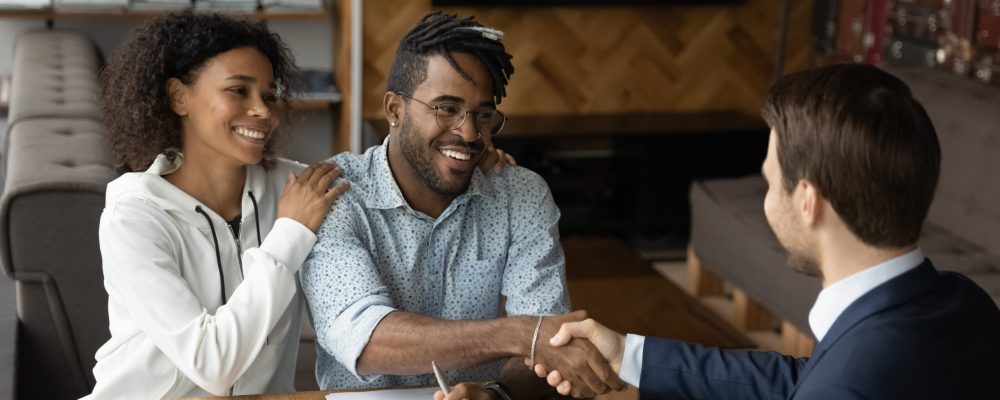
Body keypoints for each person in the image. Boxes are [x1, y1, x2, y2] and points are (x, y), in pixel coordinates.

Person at [535, 64, 1000, 399]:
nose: (766, 199)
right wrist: (628, 355)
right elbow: (800, 381)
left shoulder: (846, 382)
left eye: (770, 182)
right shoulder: (966, 302)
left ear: (807, 201)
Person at [300, 11, 625, 400]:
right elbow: (365, 339)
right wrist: (522, 333)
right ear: (395, 110)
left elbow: (550, 348)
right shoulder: (334, 196)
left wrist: (497, 394)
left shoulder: (520, 195)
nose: (470, 133)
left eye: (483, 115)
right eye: (446, 109)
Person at [85, 11, 349, 398]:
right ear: (179, 97)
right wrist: (290, 234)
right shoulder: (133, 217)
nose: (264, 111)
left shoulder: (295, 189)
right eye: (238, 90)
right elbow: (212, 364)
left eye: (270, 96)